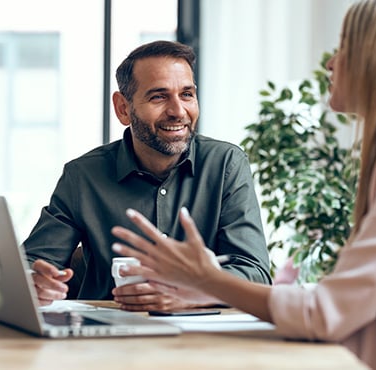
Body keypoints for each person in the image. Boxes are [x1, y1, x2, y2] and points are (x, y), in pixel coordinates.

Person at [110, 0, 376, 369]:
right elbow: (346, 300)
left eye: (344, 46)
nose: (331, 63)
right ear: (123, 108)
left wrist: (208, 281)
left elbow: (327, 313)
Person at [23, 40, 272, 311]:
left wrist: (193, 292)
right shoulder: (83, 175)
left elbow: (255, 273)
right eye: (159, 97)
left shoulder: (226, 165)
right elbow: (32, 263)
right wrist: (36, 282)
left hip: (200, 337)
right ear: (123, 108)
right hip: (106, 335)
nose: (178, 111)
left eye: (187, 94)